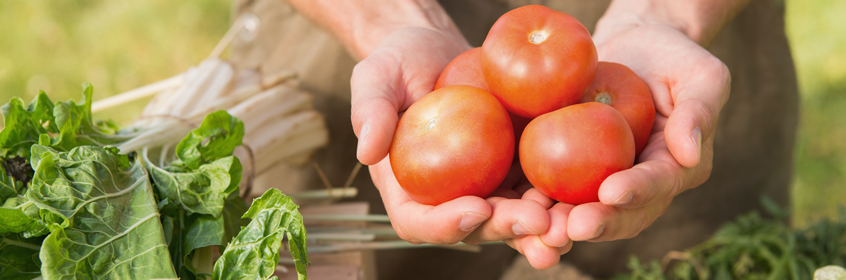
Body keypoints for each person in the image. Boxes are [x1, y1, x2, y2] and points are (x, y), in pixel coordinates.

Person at [230, 0, 798, 278]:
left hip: (657, 65)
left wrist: (665, 12)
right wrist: (387, 18)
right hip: (344, 43)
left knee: (689, 256)